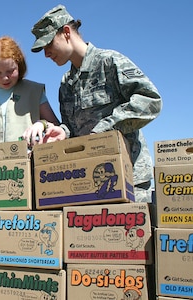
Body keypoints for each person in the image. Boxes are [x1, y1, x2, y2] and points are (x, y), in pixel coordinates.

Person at [29, 4, 162, 202]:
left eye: (48, 44)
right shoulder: (66, 83)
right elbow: (74, 129)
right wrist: (63, 132)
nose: (46, 53)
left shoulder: (109, 62)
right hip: (90, 182)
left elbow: (150, 99)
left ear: (66, 32)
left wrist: (106, 127)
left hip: (129, 178)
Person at [0, 36, 60, 145]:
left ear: (19, 65)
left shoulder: (34, 91)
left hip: (30, 158)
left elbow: (55, 124)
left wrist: (41, 124)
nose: (5, 78)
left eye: (10, 71)